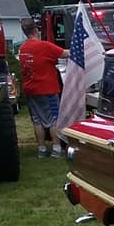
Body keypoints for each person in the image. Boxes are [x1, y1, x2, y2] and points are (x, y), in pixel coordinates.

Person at [19, 19, 69, 157]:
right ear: (36, 31)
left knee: (37, 120)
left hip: (31, 90)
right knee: (54, 119)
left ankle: (41, 149)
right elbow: (65, 53)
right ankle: (57, 148)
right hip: (47, 89)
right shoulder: (44, 46)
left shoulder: (23, 49)